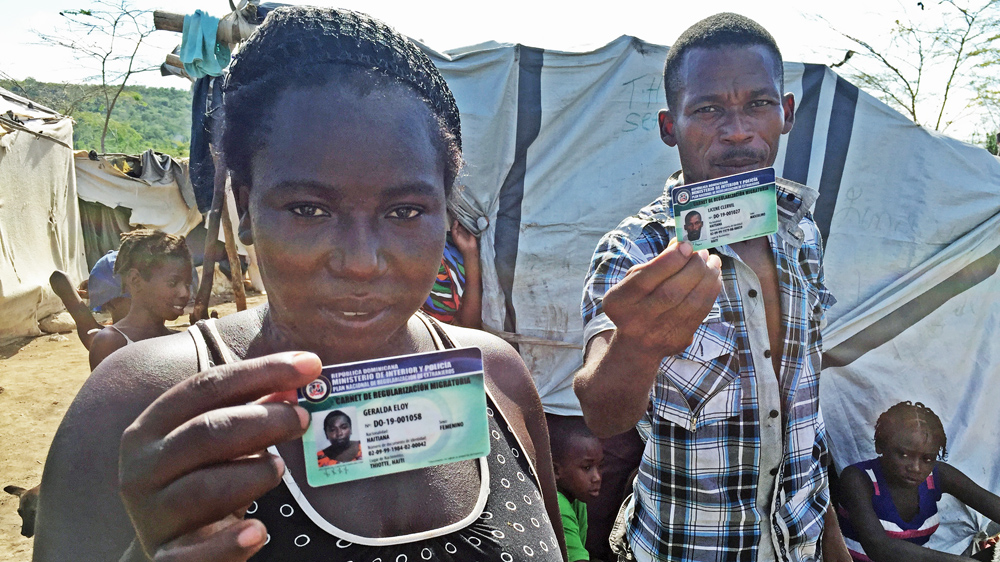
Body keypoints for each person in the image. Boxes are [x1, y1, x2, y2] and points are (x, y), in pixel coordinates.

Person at [34, 7, 565, 562]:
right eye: (309, 209)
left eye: (406, 211)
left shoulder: (497, 379)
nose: (361, 262)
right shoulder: (138, 404)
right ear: (245, 206)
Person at [573, 13, 849, 562]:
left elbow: (801, 423)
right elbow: (604, 415)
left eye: (758, 104)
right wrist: (640, 344)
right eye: (707, 109)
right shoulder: (638, 249)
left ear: (786, 113)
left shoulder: (801, 234)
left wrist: (832, 548)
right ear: (668, 126)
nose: (738, 130)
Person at [837, 402, 1000, 562]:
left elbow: (991, 504)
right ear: (880, 446)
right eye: (904, 455)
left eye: (927, 459)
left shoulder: (938, 474)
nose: (915, 467)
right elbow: (879, 547)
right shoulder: (857, 479)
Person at [87, 230, 194, 370]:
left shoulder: (182, 340)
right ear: (135, 280)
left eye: (187, 284)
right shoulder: (111, 344)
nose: (185, 293)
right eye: (172, 283)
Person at [548, 415, 604, 562]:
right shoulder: (559, 505)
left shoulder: (577, 497)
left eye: (600, 466)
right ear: (556, 470)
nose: (597, 477)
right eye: (587, 467)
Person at [421, 216, 483, 329]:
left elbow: (468, 326)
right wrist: (470, 255)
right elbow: (468, 326)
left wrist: (470, 253)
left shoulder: (454, 244)